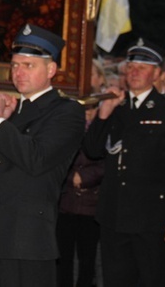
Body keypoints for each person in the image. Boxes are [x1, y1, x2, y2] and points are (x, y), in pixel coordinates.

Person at [0, 24, 85, 287]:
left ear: (50, 70)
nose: (19, 72)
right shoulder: (9, 112)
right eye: (15, 65)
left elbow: (36, 159)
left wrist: (0, 124)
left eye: (29, 65)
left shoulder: (65, 112)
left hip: (25, 241)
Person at [83, 39, 165, 286]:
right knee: (116, 279)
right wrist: (103, 116)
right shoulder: (115, 105)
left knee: (152, 279)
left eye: (142, 67)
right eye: (131, 66)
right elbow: (92, 150)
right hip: (115, 213)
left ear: (157, 74)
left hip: (151, 217)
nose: (134, 72)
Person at [55, 61, 106, 287]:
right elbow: (57, 157)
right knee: (63, 256)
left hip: (91, 204)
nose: (88, 114)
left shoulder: (103, 130)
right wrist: (69, 177)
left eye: (92, 109)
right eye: (83, 109)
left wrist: (85, 178)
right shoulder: (67, 127)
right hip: (65, 202)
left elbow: (107, 161)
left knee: (87, 258)